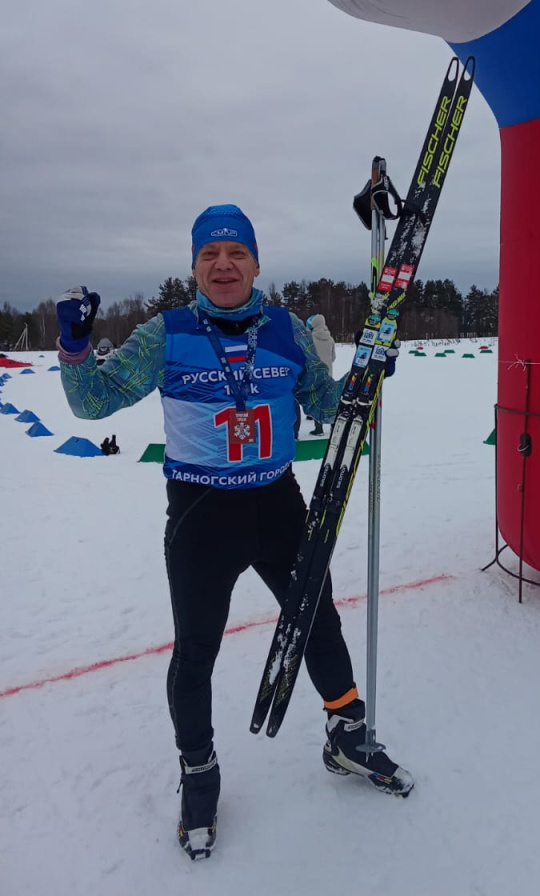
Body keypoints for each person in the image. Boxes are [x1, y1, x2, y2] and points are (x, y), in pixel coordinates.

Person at [55, 204, 410, 862]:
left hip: (278, 504)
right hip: (201, 516)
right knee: (196, 653)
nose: (224, 264)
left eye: (236, 253)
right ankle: (199, 772)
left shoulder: (286, 331)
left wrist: (368, 376)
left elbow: (327, 407)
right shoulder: (166, 334)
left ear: (255, 263)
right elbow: (92, 403)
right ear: (193, 267)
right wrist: (75, 347)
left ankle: (347, 733)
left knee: (317, 622)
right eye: (210, 254)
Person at [306, 313, 336, 436]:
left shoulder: (310, 338)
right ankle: (334, 427)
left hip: (314, 374)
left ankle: (318, 428)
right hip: (328, 372)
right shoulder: (330, 339)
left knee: (316, 400)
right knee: (329, 400)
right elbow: (333, 357)